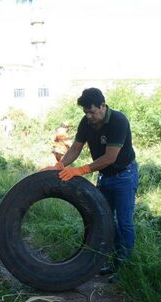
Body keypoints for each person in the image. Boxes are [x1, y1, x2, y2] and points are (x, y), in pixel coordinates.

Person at [45, 88, 138, 275]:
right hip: (105, 177)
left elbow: (110, 157)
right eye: (85, 112)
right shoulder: (86, 123)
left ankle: (124, 268)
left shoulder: (118, 121)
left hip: (124, 176)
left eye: (92, 112)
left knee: (124, 222)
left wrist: (80, 170)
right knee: (105, 220)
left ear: (103, 105)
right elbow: (75, 149)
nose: (89, 116)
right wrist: (60, 165)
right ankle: (113, 262)